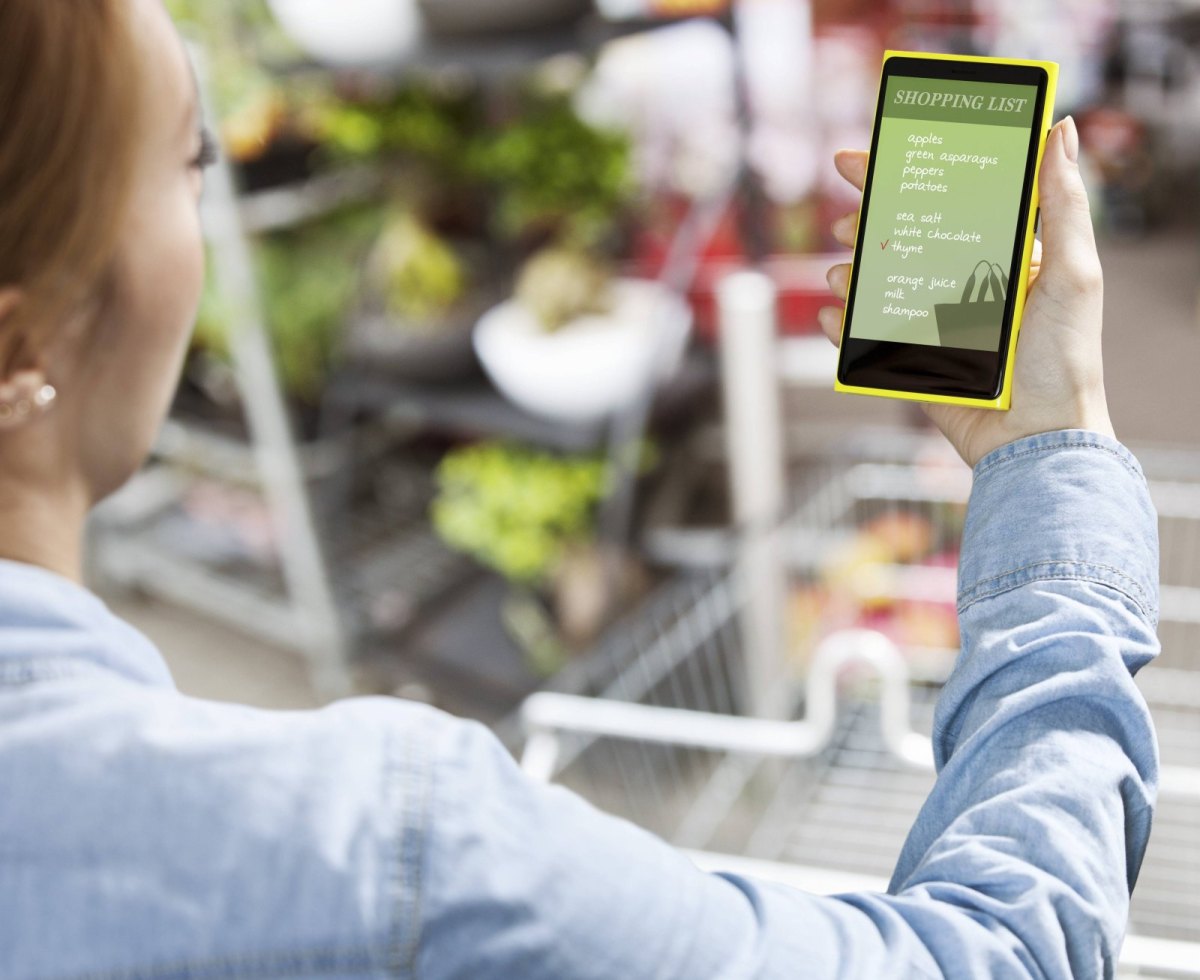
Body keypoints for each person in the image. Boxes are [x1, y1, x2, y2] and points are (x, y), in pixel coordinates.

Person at [0, 2, 1158, 978]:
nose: (208, 208)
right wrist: (1050, 447)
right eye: (190, 162)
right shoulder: (380, 850)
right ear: (19, 351)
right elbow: (1007, 951)